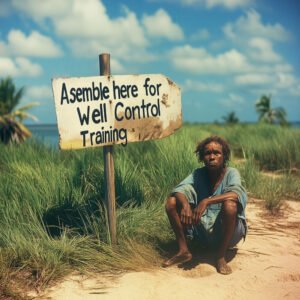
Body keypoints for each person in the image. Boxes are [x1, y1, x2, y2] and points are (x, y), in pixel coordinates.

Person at [162, 136, 247, 275]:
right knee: (172, 201)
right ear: (202, 157)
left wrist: (206, 201)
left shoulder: (232, 173)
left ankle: (220, 256)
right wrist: (185, 205)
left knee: (230, 205)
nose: (212, 157)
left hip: (228, 234)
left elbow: (236, 193)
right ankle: (183, 251)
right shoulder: (198, 174)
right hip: (202, 233)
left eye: (216, 153)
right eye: (207, 153)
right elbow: (180, 189)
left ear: (224, 156)